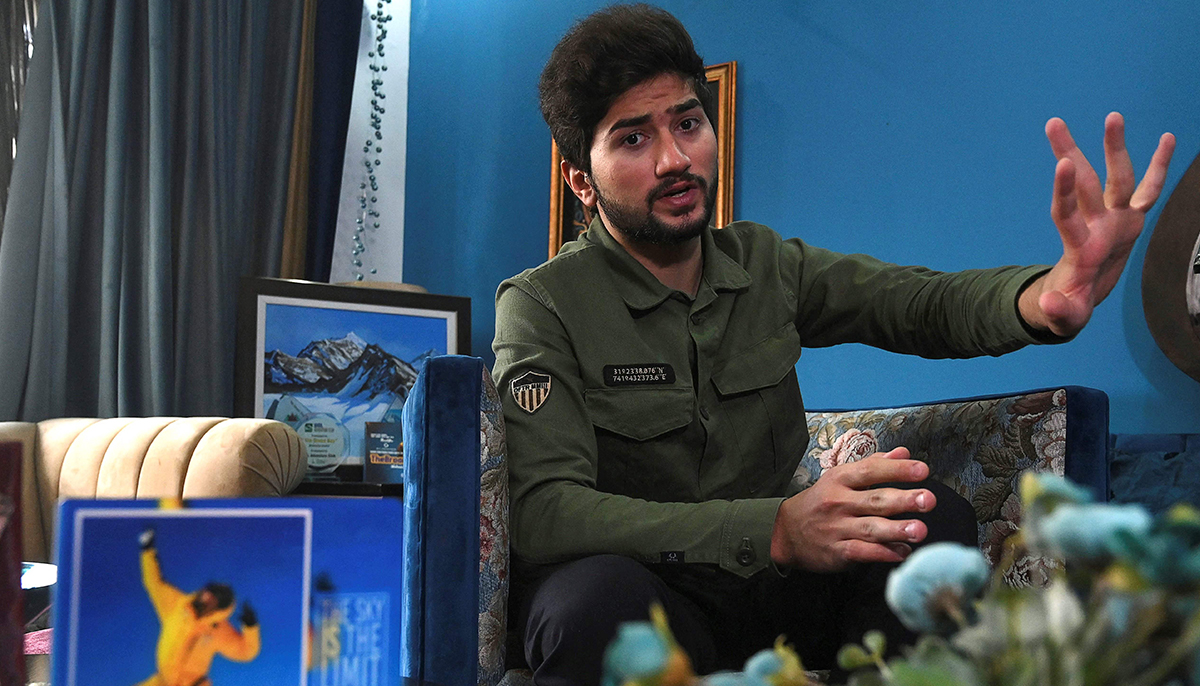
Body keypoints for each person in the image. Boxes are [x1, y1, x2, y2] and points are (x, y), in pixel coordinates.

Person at [491, 5, 1176, 684]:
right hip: (645, 598)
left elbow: (915, 303)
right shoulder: (542, 304)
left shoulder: (764, 264)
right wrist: (775, 528)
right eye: (633, 139)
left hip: (772, 596)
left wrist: (1044, 297)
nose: (675, 158)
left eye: (688, 122)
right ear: (581, 179)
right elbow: (549, 512)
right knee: (587, 605)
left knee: (923, 522)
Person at [135, 528, 261, 686]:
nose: (208, 597)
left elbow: (246, 651)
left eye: (215, 599)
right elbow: (153, 582)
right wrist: (147, 550)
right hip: (163, 681)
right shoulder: (177, 605)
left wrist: (250, 627)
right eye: (210, 592)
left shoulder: (218, 630)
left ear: (219, 608)